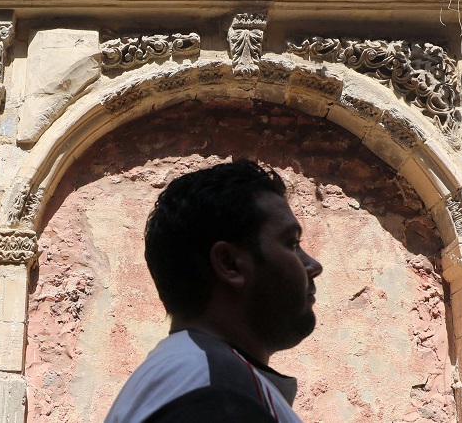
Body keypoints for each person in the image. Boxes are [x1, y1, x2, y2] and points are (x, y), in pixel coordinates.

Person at [105, 160, 323, 423]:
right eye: (292, 243)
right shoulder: (216, 389)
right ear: (230, 264)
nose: (313, 265)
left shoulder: (194, 377)